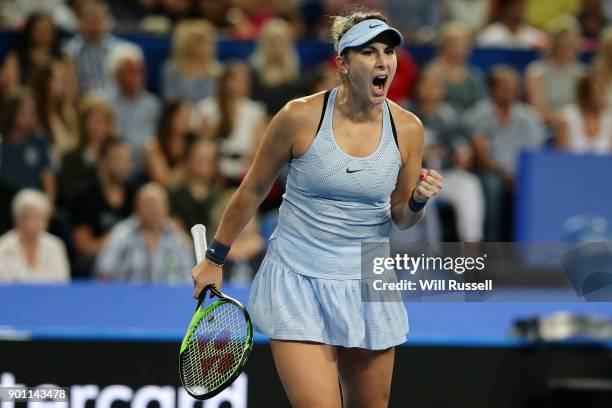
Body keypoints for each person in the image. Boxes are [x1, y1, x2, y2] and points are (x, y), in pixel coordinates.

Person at [191, 11, 443, 407]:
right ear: (342, 64)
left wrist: (417, 201)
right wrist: (214, 257)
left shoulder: (408, 128)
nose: (383, 62)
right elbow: (254, 188)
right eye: (369, 52)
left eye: (389, 51)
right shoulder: (298, 117)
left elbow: (401, 216)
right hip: (297, 278)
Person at [467, 65, 545, 241]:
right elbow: (483, 159)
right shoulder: (479, 115)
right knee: (492, 186)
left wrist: (519, 176)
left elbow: (534, 154)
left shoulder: (529, 117)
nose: (510, 91)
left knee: (534, 186)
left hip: (523, 173)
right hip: (491, 172)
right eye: (504, 87)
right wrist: (505, 177)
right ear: (493, 90)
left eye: (513, 87)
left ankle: (528, 243)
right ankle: (492, 245)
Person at [95, 183, 193, 284]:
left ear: (166, 208)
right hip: (127, 298)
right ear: (137, 207)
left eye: (158, 204)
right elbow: (104, 276)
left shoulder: (178, 239)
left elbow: (188, 281)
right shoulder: (121, 235)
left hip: (168, 298)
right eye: (148, 204)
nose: (153, 209)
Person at [192, 61, 267, 185]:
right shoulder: (207, 109)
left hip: (244, 173)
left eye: (245, 79)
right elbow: (203, 147)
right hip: (214, 172)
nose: (243, 83)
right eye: (237, 79)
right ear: (225, 82)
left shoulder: (255, 112)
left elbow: (259, 151)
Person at [70, 138, 134, 277]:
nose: (127, 166)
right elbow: (83, 247)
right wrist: (116, 241)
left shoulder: (134, 194)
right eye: (120, 159)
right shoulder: (84, 196)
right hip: (98, 266)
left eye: (128, 160)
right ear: (103, 162)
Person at [103, 42, 161, 169]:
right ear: (117, 75)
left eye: (139, 71)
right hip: (113, 167)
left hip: (145, 168)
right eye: (131, 71)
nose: (137, 77)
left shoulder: (153, 105)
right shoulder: (105, 104)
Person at [525, 17, 585, 127]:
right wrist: (560, 123)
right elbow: (538, 110)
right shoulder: (536, 71)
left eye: (572, 42)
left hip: (575, 128)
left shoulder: (582, 74)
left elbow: (584, 108)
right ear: (554, 44)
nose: (568, 47)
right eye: (564, 43)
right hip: (545, 127)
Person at [57, 96, 116, 208]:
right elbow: (68, 192)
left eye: (102, 121)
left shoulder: (117, 153)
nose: (98, 126)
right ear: (83, 124)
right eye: (93, 121)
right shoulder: (71, 157)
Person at [0, 189, 69, 283]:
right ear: (19, 219)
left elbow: (62, 283)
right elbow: (4, 287)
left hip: (49, 297)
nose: (40, 224)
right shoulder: (3, 246)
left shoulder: (55, 245)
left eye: (43, 218)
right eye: (34, 218)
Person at [63, 0, 131, 96]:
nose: (93, 23)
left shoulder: (119, 48)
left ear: (106, 19)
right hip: (84, 101)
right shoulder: (70, 49)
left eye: (97, 18)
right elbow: (71, 87)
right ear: (80, 20)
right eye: (89, 18)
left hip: (113, 102)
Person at [427, 21, 487, 114]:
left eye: (464, 45)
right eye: (454, 44)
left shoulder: (475, 74)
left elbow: (481, 105)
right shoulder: (432, 72)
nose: (459, 49)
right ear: (443, 45)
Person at [0, 13, 64, 100]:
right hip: (23, 106)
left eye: (47, 30)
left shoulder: (63, 59)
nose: (43, 34)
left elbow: (69, 91)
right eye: (39, 29)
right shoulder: (15, 57)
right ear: (30, 31)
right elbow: (11, 91)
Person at [249, 18, 304, 116]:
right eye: (273, 43)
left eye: (282, 43)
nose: (277, 48)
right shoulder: (254, 73)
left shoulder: (294, 75)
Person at [161, 19, 222, 104]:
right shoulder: (171, 69)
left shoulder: (218, 70)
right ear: (185, 44)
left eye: (205, 42)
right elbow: (171, 101)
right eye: (197, 42)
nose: (202, 47)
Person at [30, 61, 79, 163]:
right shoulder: (33, 114)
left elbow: (75, 144)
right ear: (46, 83)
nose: (64, 85)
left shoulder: (68, 112)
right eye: (60, 80)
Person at [169, 138, 218, 237]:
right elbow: (173, 227)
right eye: (199, 158)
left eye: (207, 159)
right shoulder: (175, 195)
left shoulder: (217, 196)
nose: (203, 164)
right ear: (188, 159)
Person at [556, 70, 612, 154]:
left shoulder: (609, 119)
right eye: (596, 93)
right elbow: (562, 158)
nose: (601, 97)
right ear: (584, 95)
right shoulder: (566, 118)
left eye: (602, 92)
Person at [144, 100, 192, 189]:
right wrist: (185, 171)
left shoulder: (192, 141)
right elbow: (162, 181)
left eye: (188, 117)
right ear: (170, 118)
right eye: (183, 116)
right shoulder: (154, 146)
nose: (187, 121)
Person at [477, 0, 547, 49]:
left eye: (521, 7)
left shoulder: (536, 36)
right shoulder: (488, 35)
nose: (519, 11)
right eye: (515, 7)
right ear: (505, 9)